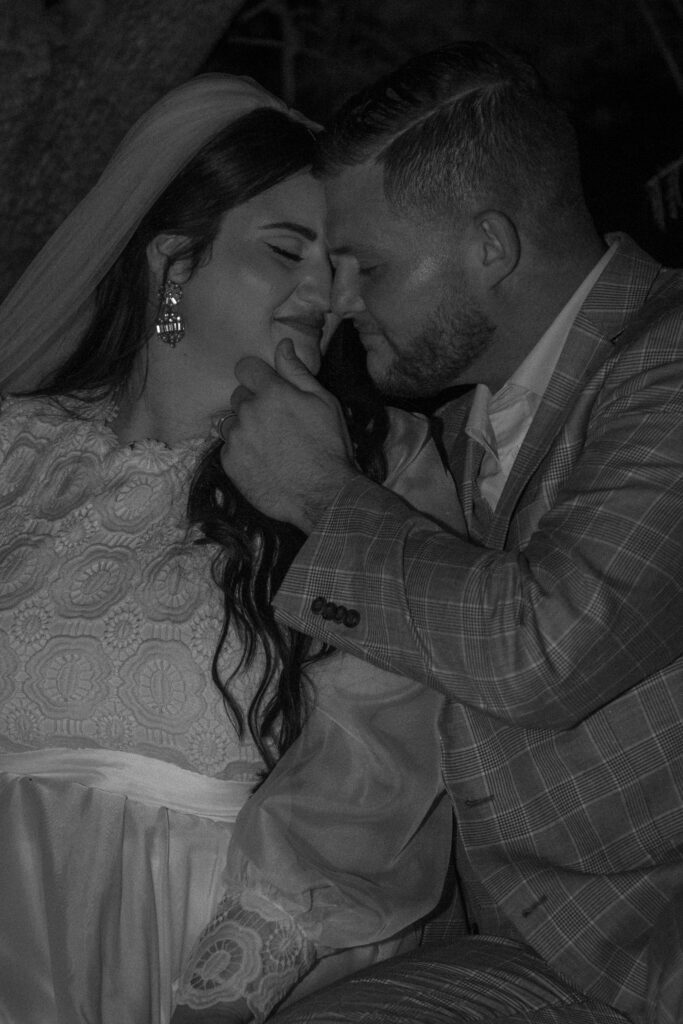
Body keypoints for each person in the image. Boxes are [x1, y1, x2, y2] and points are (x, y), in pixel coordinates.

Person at [216, 41, 683, 1024]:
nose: (335, 303)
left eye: (366, 265)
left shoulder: (670, 362)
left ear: (489, 248)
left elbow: (544, 645)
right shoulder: (457, 427)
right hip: (526, 954)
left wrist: (319, 496)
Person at [0, 74, 454, 1024]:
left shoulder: (375, 466)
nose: (325, 292)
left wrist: (229, 984)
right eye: (285, 250)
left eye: (339, 263)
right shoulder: (12, 450)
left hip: (190, 962)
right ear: (173, 264)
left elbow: (388, 745)